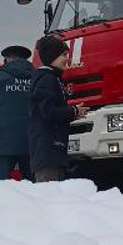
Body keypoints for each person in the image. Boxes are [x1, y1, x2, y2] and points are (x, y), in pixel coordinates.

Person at [29, 35, 87, 182]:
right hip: (48, 153)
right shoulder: (47, 80)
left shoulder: (51, 78)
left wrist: (73, 112)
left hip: (52, 151)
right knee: (49, 197)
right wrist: (72, 111)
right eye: (64, 55)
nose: (67, 59)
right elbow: (48, 112)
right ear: (51, 56)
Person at [0, 45, 35, 180]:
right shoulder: (36, 79)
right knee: (35, 192)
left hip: (2, 141)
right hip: (32, 142)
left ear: (8, 59)